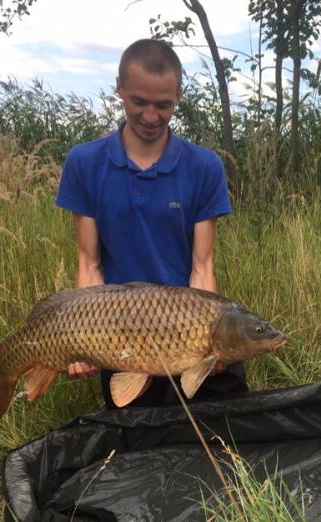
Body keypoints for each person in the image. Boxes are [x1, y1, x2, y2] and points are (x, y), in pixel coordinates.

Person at [55, 39, 247, 409]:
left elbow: (201, 267)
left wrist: (211, 341)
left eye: (163, 105)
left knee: (227, 430)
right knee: (137, 442)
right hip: (119, 334)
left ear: (178, 96)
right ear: (119, 89)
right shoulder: (84, 162)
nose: (149, 116)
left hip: (188, 328)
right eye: (138, 102)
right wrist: (80, 339)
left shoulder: (204, 167)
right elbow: (89, 263)